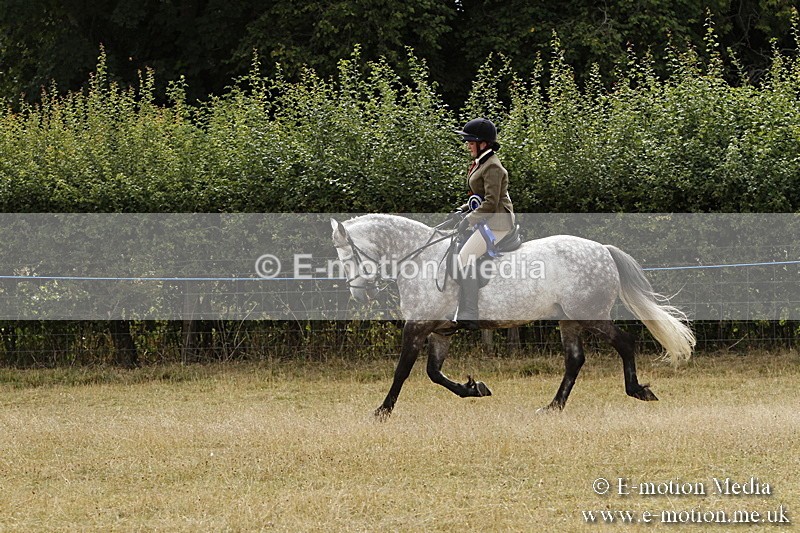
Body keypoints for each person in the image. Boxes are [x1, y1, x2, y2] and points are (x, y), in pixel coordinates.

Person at [452, 117, 515, 330]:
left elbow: (490, 203)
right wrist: (462, 210)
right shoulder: (482, 162)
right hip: (486, 218)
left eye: (471, 141)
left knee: (464, 258)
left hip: (498, 222)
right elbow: (478, 197)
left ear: (483, 143)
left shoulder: (493, 167)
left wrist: (469, 220)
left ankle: (470, 312)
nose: (468, 145)